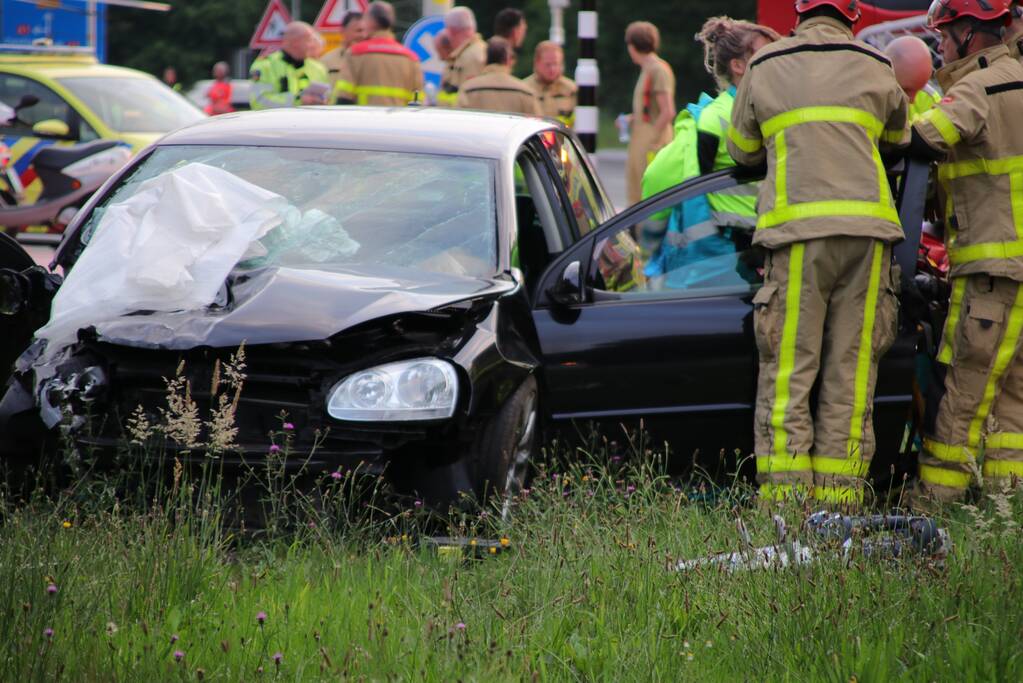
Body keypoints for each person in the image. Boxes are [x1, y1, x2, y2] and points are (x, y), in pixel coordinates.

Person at [727, 0, 909, 506]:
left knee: (790, 369)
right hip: (870, 237)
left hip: (799, 233)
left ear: (798, 14)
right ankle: (840, 504)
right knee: (851, 373)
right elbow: (899, 137)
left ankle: (787, 505)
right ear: (852, 16)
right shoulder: (876, 64)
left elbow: (742, 149)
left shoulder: (765, 65)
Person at [908, 0, 1023, 505]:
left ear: (972, 34)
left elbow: (921, 138)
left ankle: (936, 503)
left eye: (945, 35)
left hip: (992, 272)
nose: (940, 46)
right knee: (1014, 399)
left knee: (963, 392)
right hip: (1013, 271)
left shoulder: (979, 87)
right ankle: (1006, 507)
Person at [639, 17, 779, 288]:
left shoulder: (713, 116)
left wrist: (649, 248)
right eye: (765, 55)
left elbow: (656, 179)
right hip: (737, 254)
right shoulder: (721, 118)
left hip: (733, 255)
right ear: (738, 66)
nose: (775, 61)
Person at [624, 21, 676, 206]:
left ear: (632, 46)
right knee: (636, 192)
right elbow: (650, 108)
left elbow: (668, 111)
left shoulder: (658, 70)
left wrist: (651, 140)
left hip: (652, 143)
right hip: (643, 138)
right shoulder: (647, 69)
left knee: (648, 195)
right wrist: (632, 118)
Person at [334, 2, 424, 106]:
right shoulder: (410, 58)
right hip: (399, 121)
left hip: (363, 121)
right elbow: (417, 101)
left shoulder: (355, 53)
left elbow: (344, 98)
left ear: (370, 22)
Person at [249, 22, 330, 110]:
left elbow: (328, 98)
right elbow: (259, 102)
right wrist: (297, 101)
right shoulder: (265, 66)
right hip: (276, 123)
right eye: (309, 40)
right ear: (295, 42)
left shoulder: (318, 68)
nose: (312, 45)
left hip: (310, 122)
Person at [457, 37, 540, 115]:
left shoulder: (468, 90)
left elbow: (460, 122)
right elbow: (537, 124)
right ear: (508, 60)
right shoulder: (526, 92)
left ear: (485, 60)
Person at [439, 6, 487, 107]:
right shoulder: (475, 51)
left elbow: (472, 98)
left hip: (463, 120)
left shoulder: (471, 57)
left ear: (451, 31)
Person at [885, 36, 940, 119]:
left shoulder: (930, 98)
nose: (912, 100)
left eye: (920, 87)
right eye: (906, 90)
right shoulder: (868, 96)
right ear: (886, 72)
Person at [524, 41, 577, 126]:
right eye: (548, 65)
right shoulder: (524, 89)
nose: (552, 69)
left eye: (555, 64)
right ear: (536, 63)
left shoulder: (572, 90)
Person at [320, 11, 367, 100]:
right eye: (358, 31)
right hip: (334, 112)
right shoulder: (326, 61)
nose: (363, 35)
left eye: (365, 31)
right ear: (343, 31)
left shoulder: (373, 59)